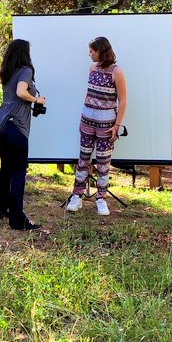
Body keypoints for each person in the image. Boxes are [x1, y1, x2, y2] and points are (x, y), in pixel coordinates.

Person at [66, 36, 126, 216]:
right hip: (87, 122)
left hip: (106, 126)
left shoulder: (117, 72)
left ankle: (101, 198)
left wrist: (117, 125)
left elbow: (122, 101)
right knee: (83, 159)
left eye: (91, 51)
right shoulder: (92, 69)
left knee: (103, 162)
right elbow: (89, 95)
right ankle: (77, 196)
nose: (89, 54)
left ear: (100, 51)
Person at [0, 39, 46, 231]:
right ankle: (17, 219)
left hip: (1, 124)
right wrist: (37, 98)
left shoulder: (8, 72)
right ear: (24, 53)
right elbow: (21, 92)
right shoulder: (25, 71)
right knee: (18, 172)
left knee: (6, 169)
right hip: (16, 126)